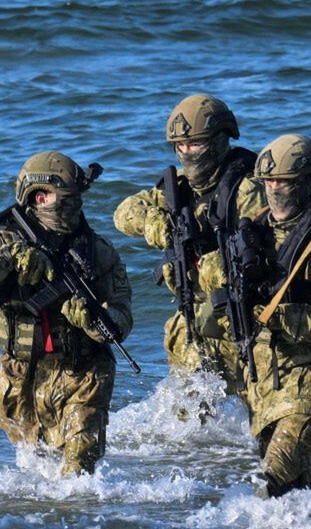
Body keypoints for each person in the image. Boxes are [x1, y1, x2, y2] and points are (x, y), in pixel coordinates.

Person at [0, 152, 133, 476]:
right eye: (58, 198)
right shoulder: (4, 242)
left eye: (73, 198)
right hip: (21, 377)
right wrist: (7, 258)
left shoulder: (98, 252)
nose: (69, 206)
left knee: (78, 477)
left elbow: (122, 319)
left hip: (83, 376)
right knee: (36, 476)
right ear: (35, 197)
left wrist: (92, 321)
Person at [211, 134, 311, 498]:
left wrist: (271, 316)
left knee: (271, 482)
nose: (274, 189)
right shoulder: (256, 231)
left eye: (284, 181)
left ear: (310, 182)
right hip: (268, 382)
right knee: (298, 494)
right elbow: (213, 272)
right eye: (268, 181)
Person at [112, 94, 261, 397]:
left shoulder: (249, 188)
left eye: (195, 144)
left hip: (241, 318)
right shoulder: (179, 188)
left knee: (258, 410)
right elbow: (123, 213)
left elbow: (267, 251)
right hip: (192, 324)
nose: (187, 152)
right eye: (180, 145)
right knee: (187, 414)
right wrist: (155, 224)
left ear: (220, 139)